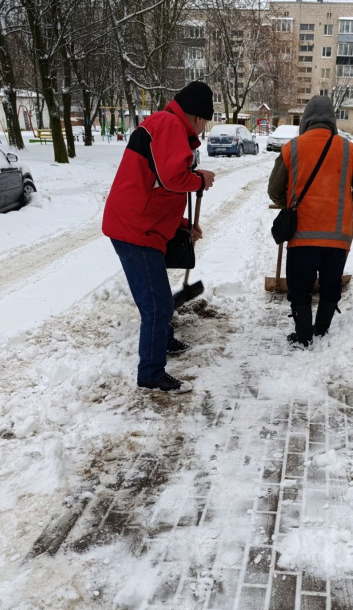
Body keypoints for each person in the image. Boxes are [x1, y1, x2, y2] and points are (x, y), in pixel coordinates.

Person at [102, 81, 216, 393]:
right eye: (205, 120)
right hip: (134, 229)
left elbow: (158, 188)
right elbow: (172, 177)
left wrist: (181, 225)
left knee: (158, 295)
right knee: (156, 304)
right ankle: (150, 374)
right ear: (195, 116)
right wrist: (200, 179)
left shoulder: (167, 125)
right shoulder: (168, 124)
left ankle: (163, 342)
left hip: (141, 224)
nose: (204, 128)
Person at [268, 96, 353, 347]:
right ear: (332, 122)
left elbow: (274, 190)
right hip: (337, 237)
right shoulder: (349, 149)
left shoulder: (291, 148)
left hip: (301, 236)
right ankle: (322, 330)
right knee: (330, 286)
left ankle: (303, 333)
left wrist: (288, 203)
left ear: (305, 121)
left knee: (300, 287)